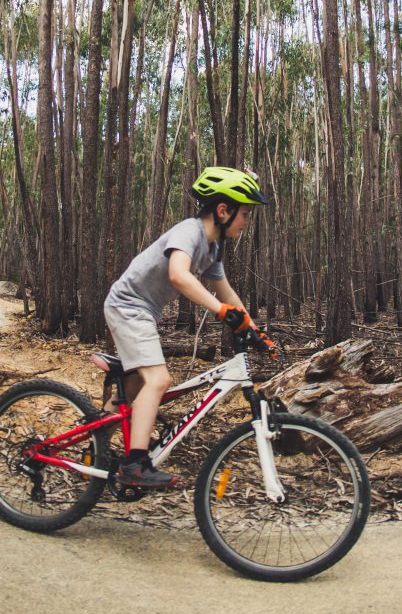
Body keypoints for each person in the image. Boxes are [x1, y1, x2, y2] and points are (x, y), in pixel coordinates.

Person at [104, 166, 277, 488]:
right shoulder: (190, 231)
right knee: (159, 380)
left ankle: (96, 447)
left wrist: (254, 329)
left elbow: (225, 290)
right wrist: (222, 311)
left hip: (143, 312)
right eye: (245, 214)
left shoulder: (211, 249)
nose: (247, 221)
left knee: (132, 392)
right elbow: (178, 275)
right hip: (127, 306)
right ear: (223, 210)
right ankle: (135, 465)